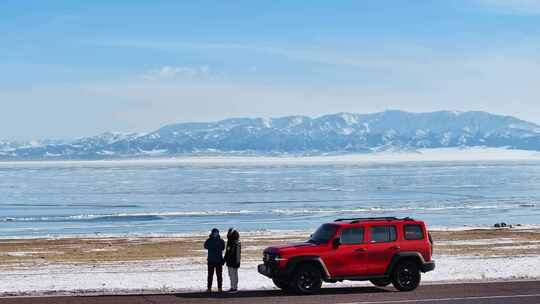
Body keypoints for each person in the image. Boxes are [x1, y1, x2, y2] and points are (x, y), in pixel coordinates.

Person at [204, 228, 225, 293]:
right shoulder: (209, 240)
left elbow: (223, 248)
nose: (216, 233)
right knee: (210, 275)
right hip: (211, 260)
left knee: (219, 275)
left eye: (217, 232)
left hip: (218, 260)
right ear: (212, 233)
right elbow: (205, 246)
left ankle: (219, 288)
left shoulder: (221, 241)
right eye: (215, 232)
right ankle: (209, 288)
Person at [224, 228, 241, 293]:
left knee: (232, 274)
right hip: (236, 260)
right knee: (235, 274)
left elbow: (228, 252)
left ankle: (233, 288)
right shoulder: (238, 241)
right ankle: (235, 287)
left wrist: (225, 259)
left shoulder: (231, 242)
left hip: (231, 261)